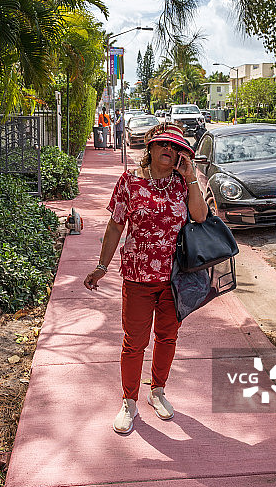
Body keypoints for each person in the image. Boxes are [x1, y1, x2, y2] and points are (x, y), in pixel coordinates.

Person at [83, 123, 208, 434]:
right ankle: (129, 401)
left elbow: (201, 216)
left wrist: (190, 178)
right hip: (138, 277)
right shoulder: (129, 182)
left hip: (176, 278)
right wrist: (102, 266)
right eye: (163, 143)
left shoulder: (183, 184)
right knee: (134, 342)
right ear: (150, 148)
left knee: (167, 337)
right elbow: (115, 226)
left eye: (177, 147)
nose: (170, 149)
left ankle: (158, 391)